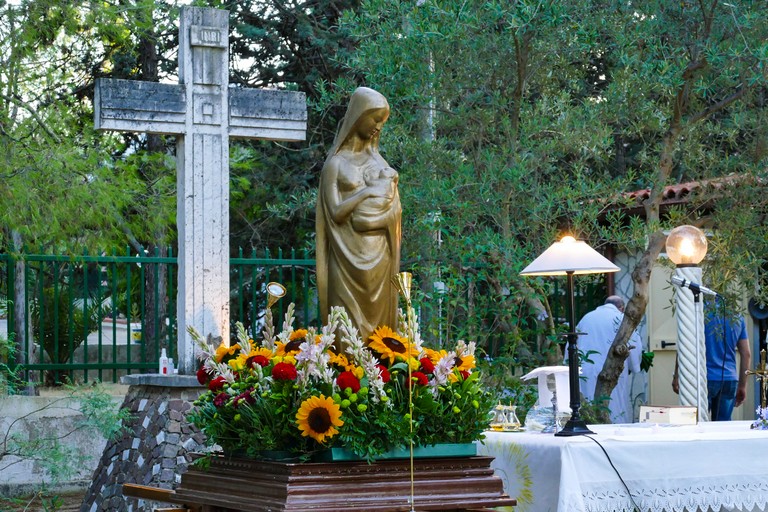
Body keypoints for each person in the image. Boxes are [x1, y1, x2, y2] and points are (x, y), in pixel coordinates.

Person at [316, 87, 402, 343]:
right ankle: (344, 380)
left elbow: (394, 209)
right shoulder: (336, 164)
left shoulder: (381, 165)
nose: (378, 126)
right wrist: (366, 194)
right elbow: (335, 212)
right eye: (375, 118)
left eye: (383, 122)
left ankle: (380, 380)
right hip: (345, 260)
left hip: (379, 257)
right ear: (358, 116)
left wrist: (384, 215)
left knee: (380, 336)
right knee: (344, 328)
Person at [672, 307, 751, 421]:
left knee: (696, 423)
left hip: (703, 378)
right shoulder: (737, 316)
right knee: (723, 426)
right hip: (729, 379)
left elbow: (684, 346)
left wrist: (677, 375)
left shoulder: (699, 311)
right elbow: (746, 354)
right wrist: (743, 385)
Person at [573, 295, 643, 423]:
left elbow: (572, 344)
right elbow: (635, 345)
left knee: (588, 405)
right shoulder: (621, 318)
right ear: (622, 308)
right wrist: (635, 366)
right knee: (615, 406)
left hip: (586, 369)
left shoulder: (586, 318)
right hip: (612, 370)